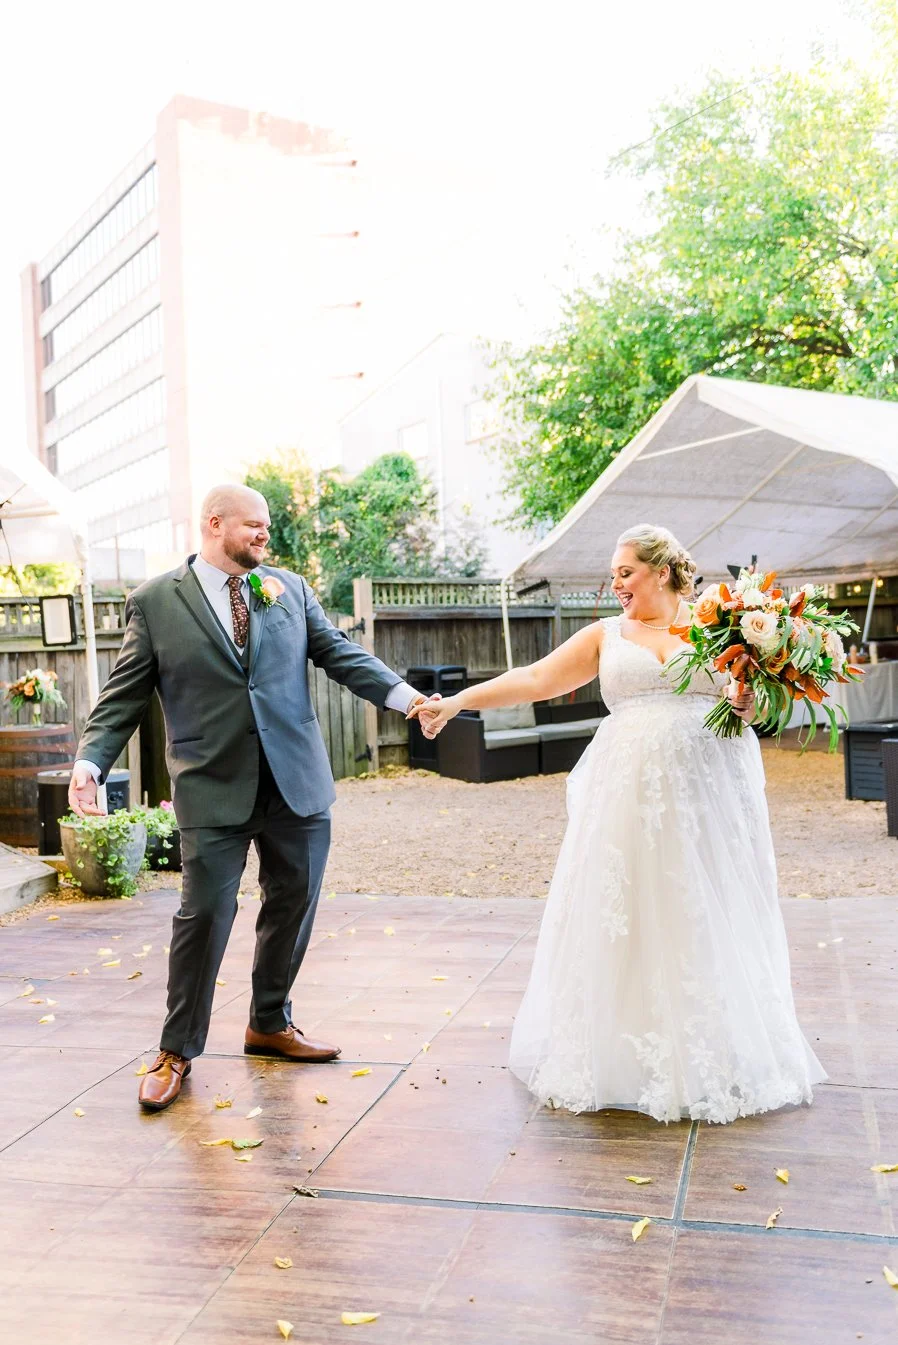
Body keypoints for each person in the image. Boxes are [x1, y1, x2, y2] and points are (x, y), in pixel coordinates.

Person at [413, 525, 826, 1124]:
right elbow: (534, 680)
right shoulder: (606, 635)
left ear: (661, 570)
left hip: (710, 791)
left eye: (625, 572)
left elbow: (756, 701)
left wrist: (748, 704)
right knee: (631, 907)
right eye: (614, 573)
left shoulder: (724, 624)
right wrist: (455, 702)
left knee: (709, 905)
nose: (616, 584)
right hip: (628, 793)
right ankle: (626, 1051)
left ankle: (717, 1047)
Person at [69, 484, 427, 1112]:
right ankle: (176, 1049)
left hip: (297, 782)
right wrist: (90, 765)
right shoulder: (155, 602)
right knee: (204, 912)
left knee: (293, 905)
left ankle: (269, 1022)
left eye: (267, 527)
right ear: (215, 523)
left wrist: (406, 698)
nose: (266, 536)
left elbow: (338, 654)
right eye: (255, 526)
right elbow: (124, 696)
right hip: (212, 785)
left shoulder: (287, 588)